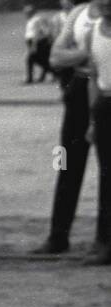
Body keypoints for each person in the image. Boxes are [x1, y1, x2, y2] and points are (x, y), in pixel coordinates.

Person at [35, 0, 105, 254]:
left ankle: (103, 240)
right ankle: (57, 236)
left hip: (106, 91)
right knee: (66, 164)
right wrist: (88, 52)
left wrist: (81, 54)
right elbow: (55, 57)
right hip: (78, 90)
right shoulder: (79, 13)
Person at [85, 0, 111, 263]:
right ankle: (103, 241)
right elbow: (93, 77)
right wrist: (93, 121)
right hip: (105, 106)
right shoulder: (92, 31)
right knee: (106, 177)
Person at [25, 5, 53, 83]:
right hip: (34, 42)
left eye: (28, 12)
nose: (26, 14)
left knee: (31, 59)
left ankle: (30, 78)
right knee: (43, 60)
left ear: (33, 12)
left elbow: (37, 33)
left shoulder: (37, 20)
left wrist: (34, 45)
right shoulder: (31, 20)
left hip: (37, 42)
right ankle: (44, 76)